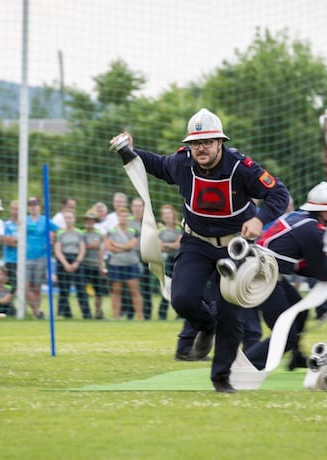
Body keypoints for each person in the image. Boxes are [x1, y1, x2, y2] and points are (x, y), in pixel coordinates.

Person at [109, 107, 289, 393]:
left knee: (231, 315)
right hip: (195, 242)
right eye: (195, 143)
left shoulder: (242, 167)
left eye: (207, 142)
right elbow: (154, 164)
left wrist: (259, 219)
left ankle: (221, 378)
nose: (201, 148)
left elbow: (279, 193)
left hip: (236, 248)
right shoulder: (182, 163)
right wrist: (128, 150)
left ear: (220, 142)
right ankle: (206, 325)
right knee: (182, 298)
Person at [242, 182, 327, 370]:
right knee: (286, 336)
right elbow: (321, 272)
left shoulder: (300, 219)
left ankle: (296, 357)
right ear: (322, 211)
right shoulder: (312, 231)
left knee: (301, 312)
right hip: (263, 279)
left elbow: (304, 267)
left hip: (266, 275)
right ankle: (244, 365)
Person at [104, 207, 143, 320]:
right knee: (116, 291)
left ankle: (140, 317)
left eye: (125, 215)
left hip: (131, 263)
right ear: (117, 217)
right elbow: (109, 247)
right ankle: (116, 317)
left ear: (128, 217)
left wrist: (117, 245)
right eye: (121, 216)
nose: (123, 218)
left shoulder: (133, 230)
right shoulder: (111, 231)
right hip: (115, 264)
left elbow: (132, 245)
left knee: (135, 291)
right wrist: (124, 248)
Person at [53, 210, 91, 319]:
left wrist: (76, 262)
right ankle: (64, 313)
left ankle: (86, 314)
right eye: (66, 218)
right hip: (63, 260)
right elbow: (57, 250)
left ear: (74, 219)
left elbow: (82, 249)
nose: (68, 220)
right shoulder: (60, 232)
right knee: (64, 289)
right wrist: (65, 263)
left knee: (81, 289)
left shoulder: (79, 233)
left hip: (76, 259)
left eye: (70, 217)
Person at [25, 196, 58, 319]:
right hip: (26, 257)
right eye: (31, 205)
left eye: (35, 204)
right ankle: (36, 311)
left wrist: (52, 238)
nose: (33, 207)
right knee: (26, 286)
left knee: (37, 287)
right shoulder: (24, 220)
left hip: (41, 257)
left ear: (39, 206)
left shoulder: (45, 220)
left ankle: (35, 313)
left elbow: (57, 230)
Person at [128, 197, 153, 320]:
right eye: (135, 206)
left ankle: (147, 314)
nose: (137, 209)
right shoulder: (128, 223)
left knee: (146, 287)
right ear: (131, 208)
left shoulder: (149, 222)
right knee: (132, 289)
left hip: (146, 258)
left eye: (139, 206)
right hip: (132, 258)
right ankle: (130, 313)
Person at [156, 204, 181, 320]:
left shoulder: (179, 228)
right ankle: (162, 314)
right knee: (167, 287)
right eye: (165, 214)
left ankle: (179, 313)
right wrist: (172, 245)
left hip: (179, 260)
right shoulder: (160, 229)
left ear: (173, 214)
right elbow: (159, 247)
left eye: (169, 213)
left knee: (179, 287)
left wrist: (167, 245)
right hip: (167, 261)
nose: (167, 216)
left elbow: (180, 244)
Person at [80, 210, 107, 319]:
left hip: (95, 265)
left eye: (92, 220)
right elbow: (80, 248)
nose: (90, 222)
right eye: (88, 220)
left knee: (99, 292)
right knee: (82, 291)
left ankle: (98, 313)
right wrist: (91, 246)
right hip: (84, 265)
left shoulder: (99, 234)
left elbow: (100, 250)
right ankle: (86, 314)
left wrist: (102, 266)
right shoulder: (81, 233)